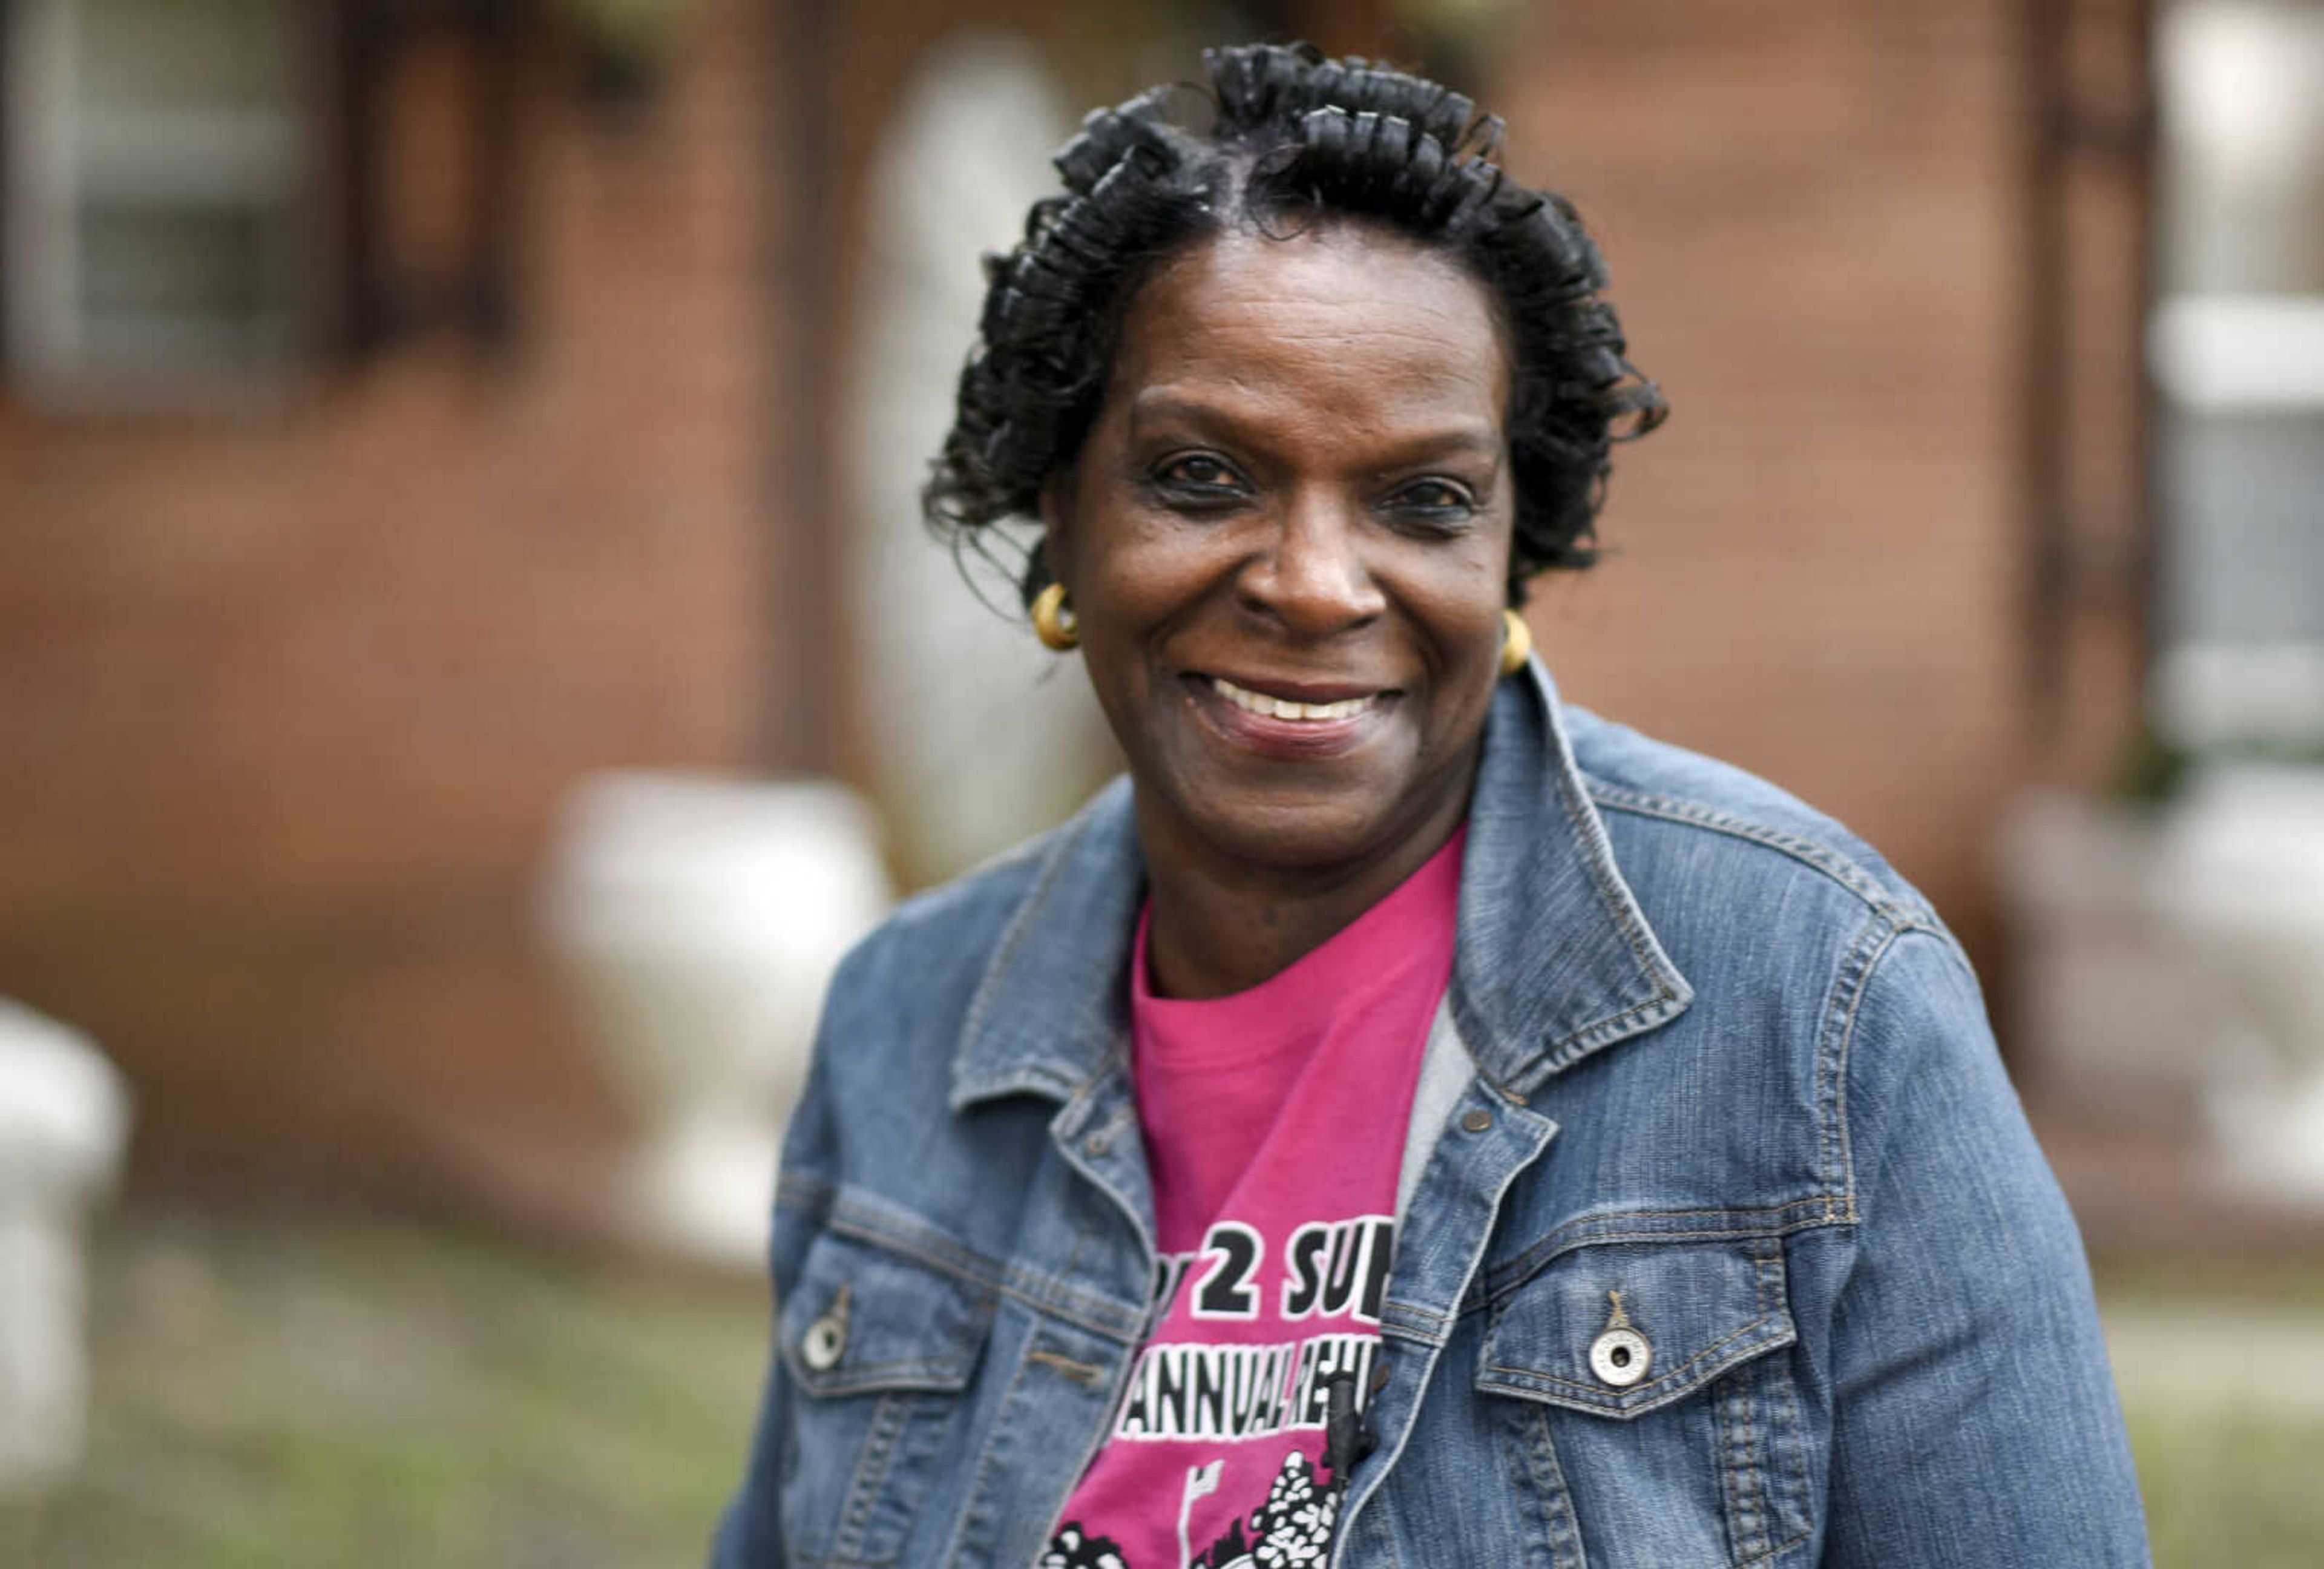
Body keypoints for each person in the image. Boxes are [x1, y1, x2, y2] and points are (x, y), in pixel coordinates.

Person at [714, 42, 2150, 1568]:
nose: (1317, 584)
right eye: (1202, 475)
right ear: (1061, 515)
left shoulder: (1817, 1001)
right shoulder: (904, 1026)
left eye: (1423, 502)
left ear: (1513, 557)